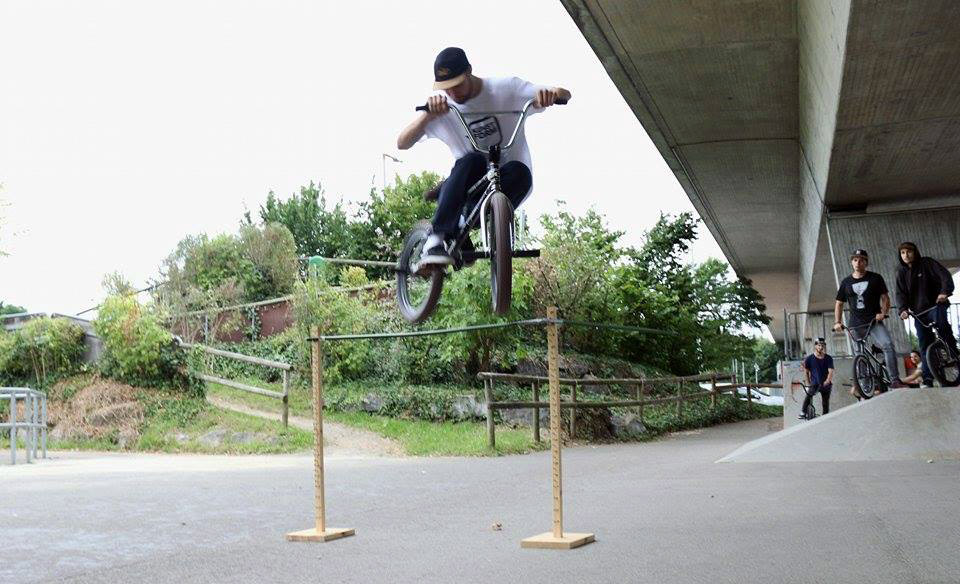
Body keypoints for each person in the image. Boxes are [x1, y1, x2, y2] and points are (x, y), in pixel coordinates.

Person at [396, 47, 571, 266]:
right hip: (469, 181)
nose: (452, 93)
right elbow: (402, 143)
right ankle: (435, 239)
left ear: (469, 70)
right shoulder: (443, 106)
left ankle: (462, 223)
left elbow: (564, 93)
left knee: (522, 172)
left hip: (506, 178)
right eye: (445, 88)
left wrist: (550, 95)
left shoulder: (505, 88)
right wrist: (427, 117)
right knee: (473, 160)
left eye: (457, 85)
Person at [832, 249, 906, 389]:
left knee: (887, 345)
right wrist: (837, 322)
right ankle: (866, 386)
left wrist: (883, 313)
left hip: (874, 321)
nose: (857, 263)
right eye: (855, 260)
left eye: (861, 260)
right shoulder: (846, 282)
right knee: (859, 354)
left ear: (866, 262)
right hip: (855, 324)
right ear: (851, 262)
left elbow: (885, 298)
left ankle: (895, 380)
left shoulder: (875, 278)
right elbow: (839, 303)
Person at [895, 241, 958, 387]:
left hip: (936, 305)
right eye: (903, 253)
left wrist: (944, 292)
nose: (906, 255)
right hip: (919, 312)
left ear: (915, 252)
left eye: (909, 252)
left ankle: (953, 354)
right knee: (924, 343)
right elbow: (900, 294)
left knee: (942, 326)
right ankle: (928, 378)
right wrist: (903, 309)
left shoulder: (927, 263)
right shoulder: (901, 272)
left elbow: (944, 276)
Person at [800, 337, 834, 419]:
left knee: (825, 403)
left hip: (826, 384)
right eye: (819, 345)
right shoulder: (809, 359)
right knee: (808, 396)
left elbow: (831, 371)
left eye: (822, 345)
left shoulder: (828, 358)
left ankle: (825, 417)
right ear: (815, 346)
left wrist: (828, 380)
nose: (821, 347)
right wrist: (808, 384)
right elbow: (806, 372)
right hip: (815, 383)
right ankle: (803, 411)